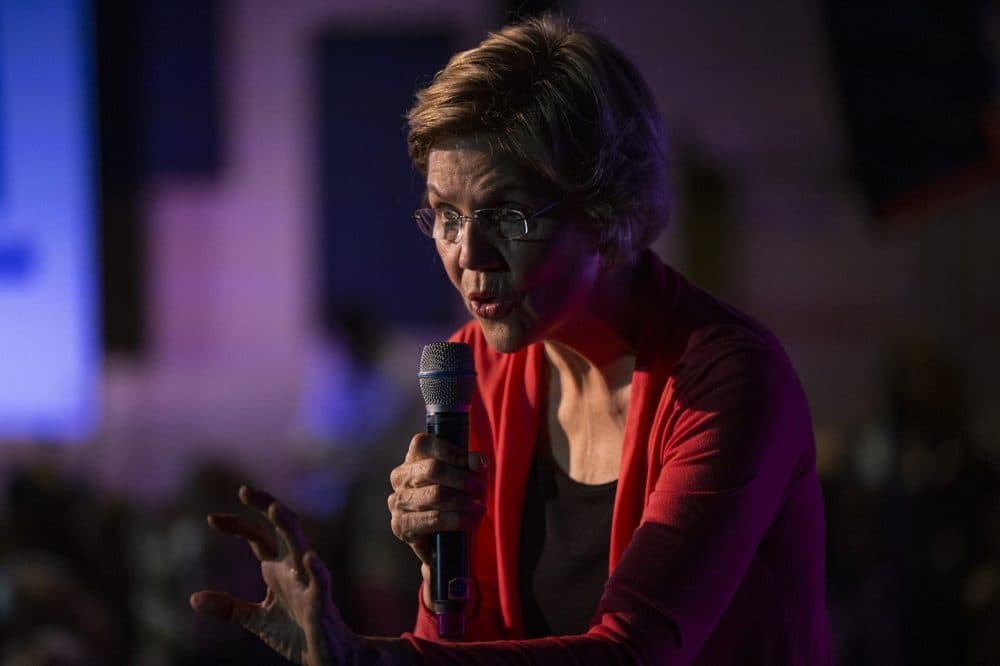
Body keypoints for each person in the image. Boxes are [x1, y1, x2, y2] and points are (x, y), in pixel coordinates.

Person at [190, 14, 831, 664]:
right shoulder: (481, 373)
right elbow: (470, 647)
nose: (468, 254)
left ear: (607, 214)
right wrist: (442, 582)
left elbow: (635, 652)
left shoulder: (726, 379)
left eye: (507, 216)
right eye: (445, 215)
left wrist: (371, 660)